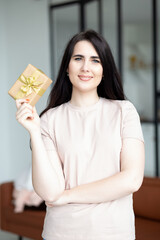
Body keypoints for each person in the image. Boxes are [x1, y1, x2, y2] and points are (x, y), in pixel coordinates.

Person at [16, 30, 145, 240]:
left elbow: (131, 180)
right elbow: (49, 192)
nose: (86, 67)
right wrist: (34, 132)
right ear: (67, 67)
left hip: (114, 233)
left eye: (95, 60)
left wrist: (66, 196)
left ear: (104, 70)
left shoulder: (124, 111)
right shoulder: (49, 119)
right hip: (60, 233)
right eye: (78, 58)